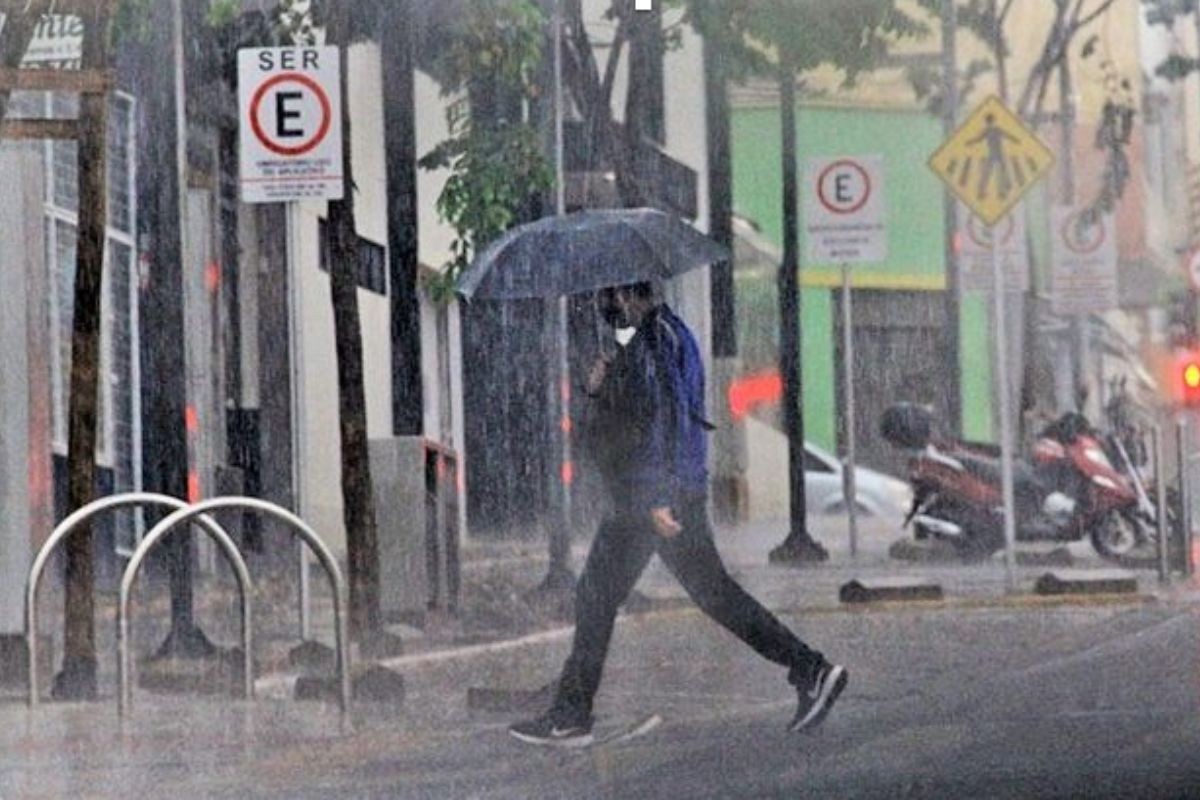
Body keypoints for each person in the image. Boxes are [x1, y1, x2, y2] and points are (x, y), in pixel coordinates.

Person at [509, 282, 847, 747]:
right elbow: (649, 419)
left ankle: (571, 714)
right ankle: (810, 668)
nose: (603, 307)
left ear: (628, 294)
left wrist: (655, 498)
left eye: (608, 297)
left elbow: (662, 421)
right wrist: (603, 389)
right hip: (665, 493)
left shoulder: (655, 341)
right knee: (712, 595)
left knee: (596, 596)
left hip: (649, 499)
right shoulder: (667, 335)